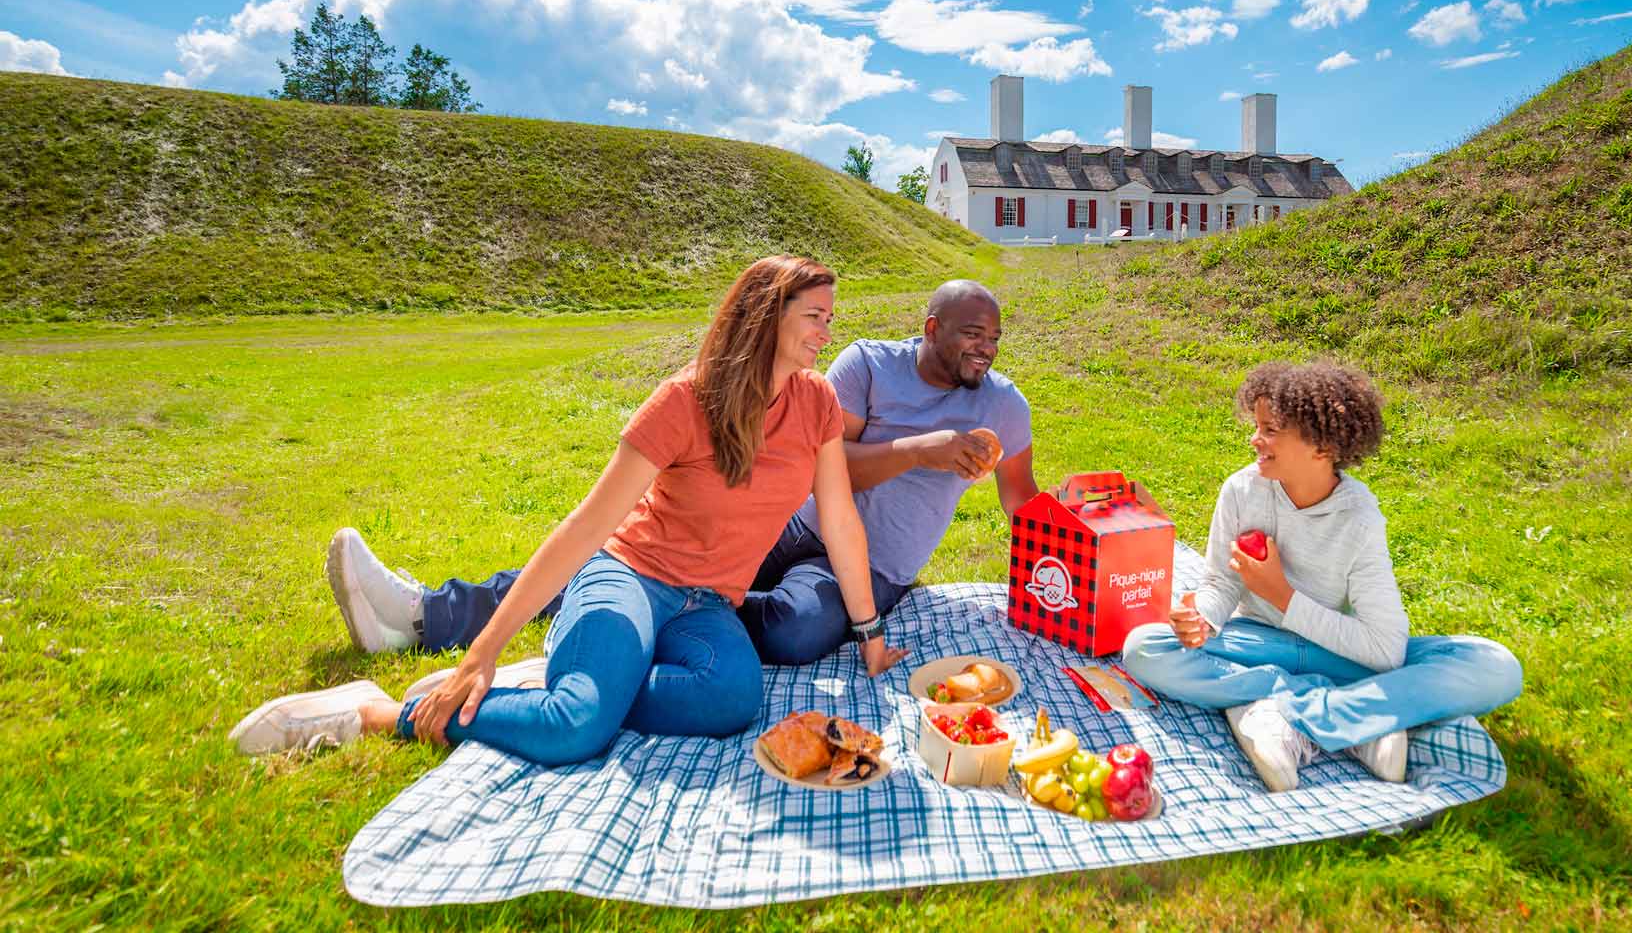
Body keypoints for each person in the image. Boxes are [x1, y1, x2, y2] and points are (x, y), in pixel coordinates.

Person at [229, 256, 904, 762]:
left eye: (829, 317)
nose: (827, 331)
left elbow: (840, 521)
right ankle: (378, 712)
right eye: (816, 316)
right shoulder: (684, 401)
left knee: (733, 699)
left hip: (707, 606)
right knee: (573, 728)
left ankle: (586, 676)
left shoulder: (814, 403)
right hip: (629, 577)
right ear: (767, 316)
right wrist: (481, 654)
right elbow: (585, 528)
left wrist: (870, 637)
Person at [322, 280, 1039, 673]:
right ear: (932, 326)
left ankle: (650, 622)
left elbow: (1022, 503)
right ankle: (425, 614)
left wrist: (1083, 543)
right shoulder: (865, 366)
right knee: (643, 560)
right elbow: (834, 477)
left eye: (996, 338)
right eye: (973, 334)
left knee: (792, 634)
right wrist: (921, 449)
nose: (987, 348)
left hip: (874, 564)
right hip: (799, 523)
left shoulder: (1004, 406)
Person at [1120, 361, 1523, 792]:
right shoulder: (1240, 490)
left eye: (1270, 429)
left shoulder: (1359, 518)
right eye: (1257, 426)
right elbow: (1221, 583)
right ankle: (1362, 717)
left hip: (1336, 650)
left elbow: (1384, 650)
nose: (1255, 439)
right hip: (1259, 643)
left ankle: (1300, 717)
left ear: (1321, 447)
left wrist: (1283, 596)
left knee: (1496, 667)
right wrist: (1201, 619)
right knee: (1144, 647)